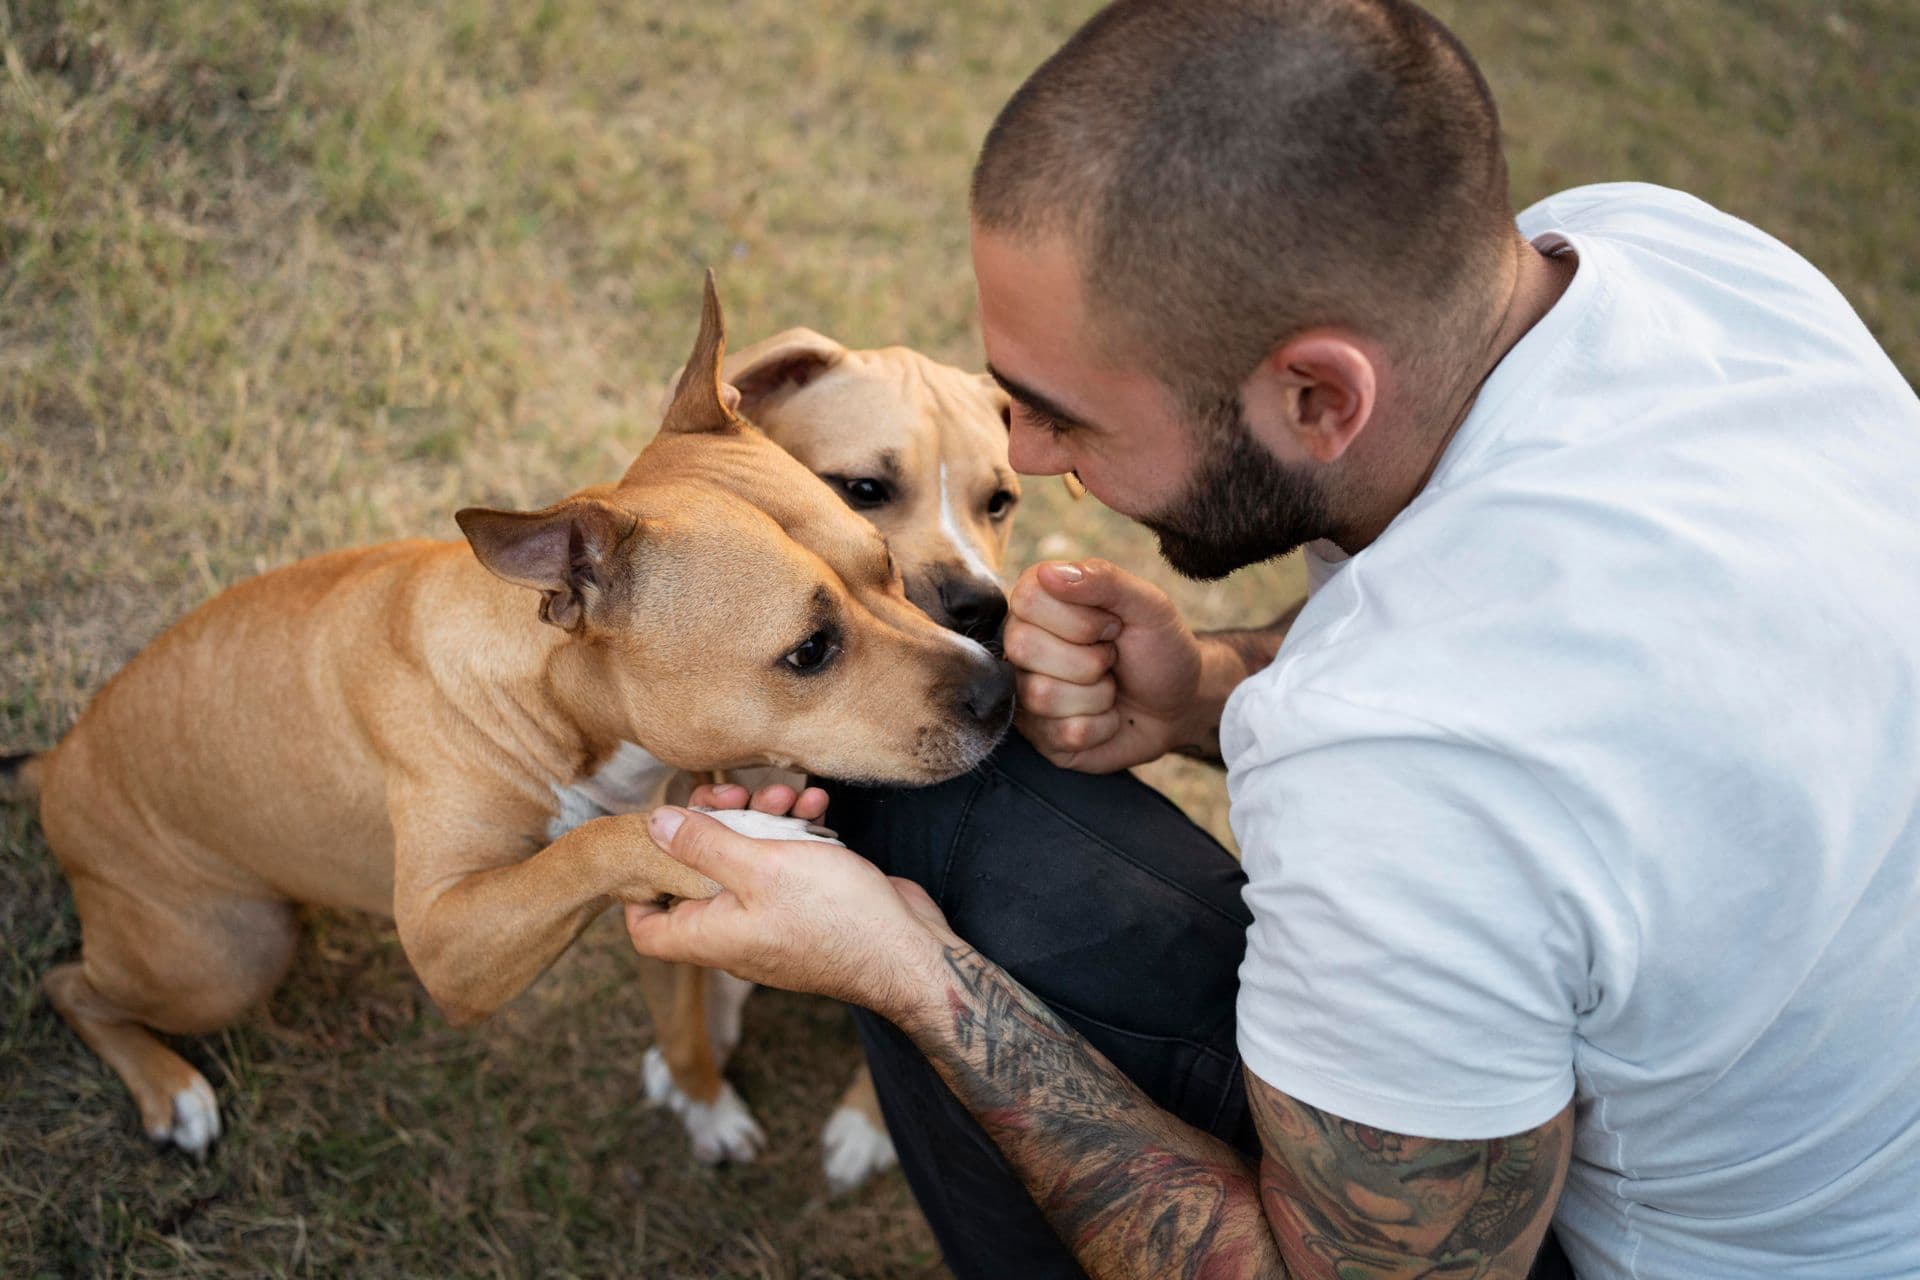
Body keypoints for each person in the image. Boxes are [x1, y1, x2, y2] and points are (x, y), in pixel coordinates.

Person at [623, 0, 1920, 1276]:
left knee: (933, 799)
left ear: (1317, 395)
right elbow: (1539, 591)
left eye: (1063, 418)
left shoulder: (1410, 769)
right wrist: (1207, 687)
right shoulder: (1671, 260)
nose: (1021, 453)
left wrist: (905, 971)